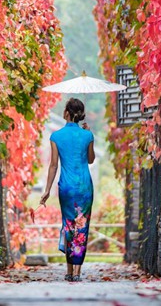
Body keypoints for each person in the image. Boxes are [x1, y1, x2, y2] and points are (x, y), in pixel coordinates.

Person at [40, 98, 95, 282]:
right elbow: (90, 160)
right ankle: (78, 272)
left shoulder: (56, 136)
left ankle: (69, 271)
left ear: (66, 113)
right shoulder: (87, 135)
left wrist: (47, 190)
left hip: (66, 187)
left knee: (68, 225)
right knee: (82, 226)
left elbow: (53, 165)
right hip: (85, 187)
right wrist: (89, 136)